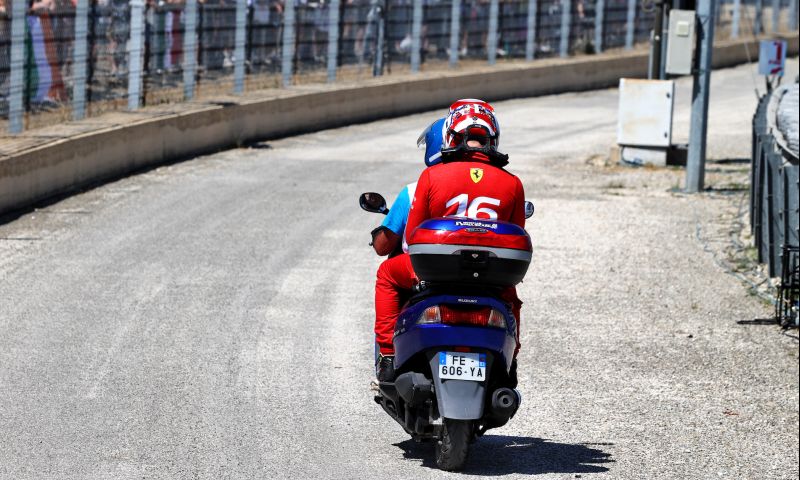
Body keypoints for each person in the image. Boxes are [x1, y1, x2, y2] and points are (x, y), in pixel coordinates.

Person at [374, 100, 526, 382]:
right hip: (490, 274)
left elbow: (414, 233)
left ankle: (387, 355)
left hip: (434, 270)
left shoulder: (432, 176)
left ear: (450, 136)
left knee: (386, 274)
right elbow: (517, 232)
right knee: (511, 300)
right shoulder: (512, 182)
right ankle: (511, 363)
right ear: (493, 138)